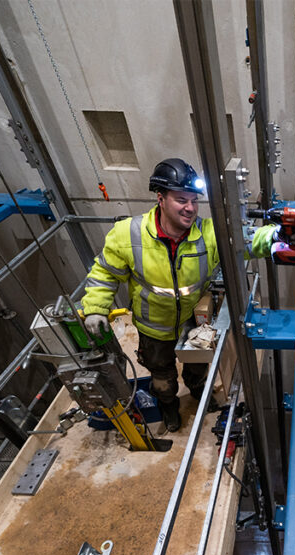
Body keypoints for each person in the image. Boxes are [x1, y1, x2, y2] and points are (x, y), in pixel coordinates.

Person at [80, 158, 280, 432]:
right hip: (154, 329)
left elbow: (246, 239)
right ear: (161, 199)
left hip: (191, 320)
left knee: (197, 367)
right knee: (162, 375)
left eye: (194, 201)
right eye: (181, 200)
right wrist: (94, 308)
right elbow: (104, 273)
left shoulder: (208, 234)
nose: (190, 208)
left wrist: (277, 235)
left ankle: (198, 392)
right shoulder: (129, 234)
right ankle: (169, 407)